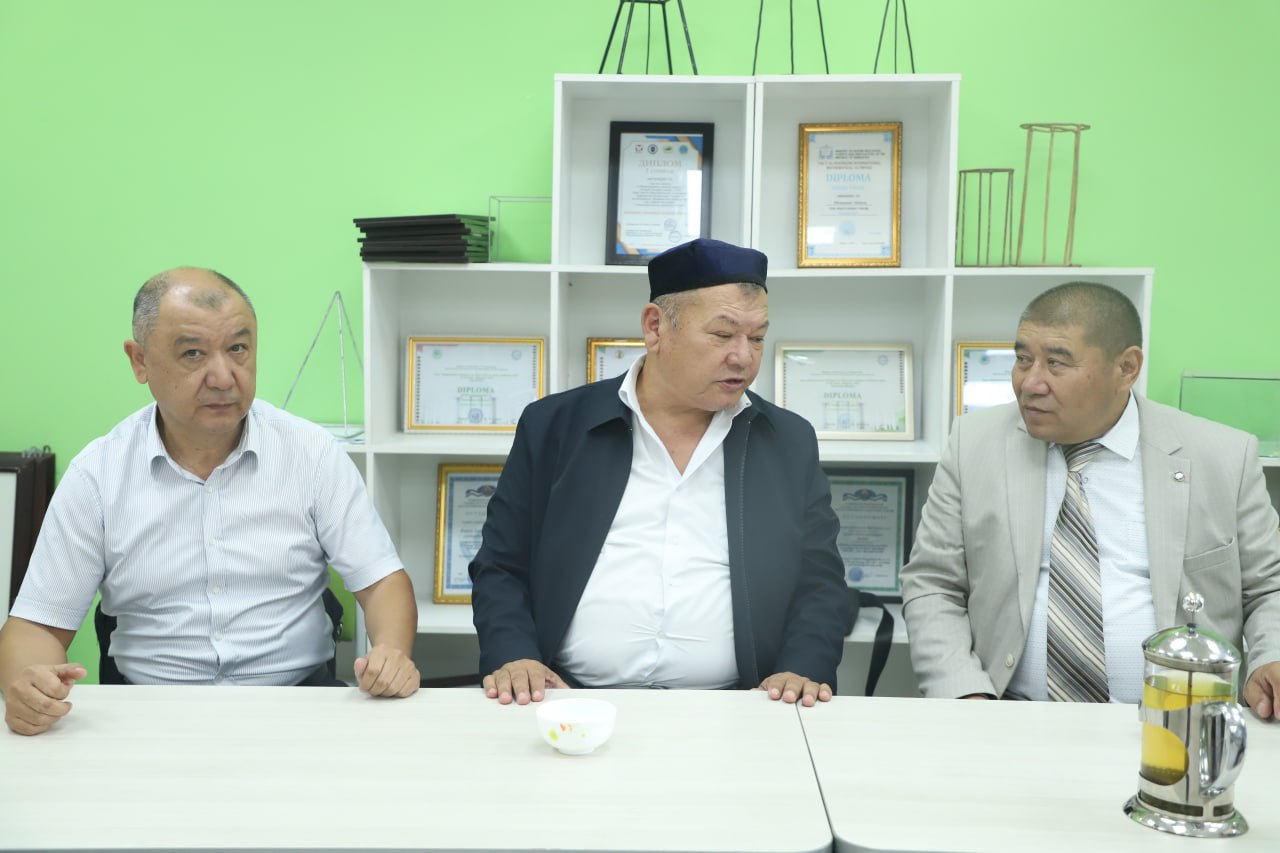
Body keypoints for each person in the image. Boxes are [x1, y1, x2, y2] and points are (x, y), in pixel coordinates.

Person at [0, 267, 421, 735]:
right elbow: (37, 625)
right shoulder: (98, 474)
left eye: (238, 348)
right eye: (193, 353)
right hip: (146, 716)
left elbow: (382, 582)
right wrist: (29, 686)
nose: (223, 377)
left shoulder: (312, 454)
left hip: (298, 706)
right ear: (140, 361)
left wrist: (391, 651)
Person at [469, 238, 849, 706]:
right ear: (655, 328)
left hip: (741, 706)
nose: (743, 357)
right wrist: (515, 656)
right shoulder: (556, 426)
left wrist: (802, 668)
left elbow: (820, 584)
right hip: (565, 699)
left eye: (756, 338)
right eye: (722, 334)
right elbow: (501, 566)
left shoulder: (787, 440)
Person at [902, 281, 1280, 715]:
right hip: (1008, 714)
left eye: (1056, 363)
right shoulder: (974, 444)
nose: (1030, 383)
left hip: (1181, 720)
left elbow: (1269, 586)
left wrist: (1271, 657)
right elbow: (933, 583)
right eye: (1023, 359)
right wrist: (965, 693)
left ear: (1127, 368)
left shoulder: (1222, 456)